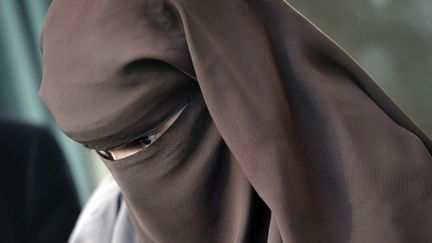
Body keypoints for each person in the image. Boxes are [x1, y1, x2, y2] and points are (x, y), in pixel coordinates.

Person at [39, 0, 432, 242]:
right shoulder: (110, 226)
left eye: (145, 140)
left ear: (229, 87)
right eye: (105, 153)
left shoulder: (392, 205)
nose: (124, 167)